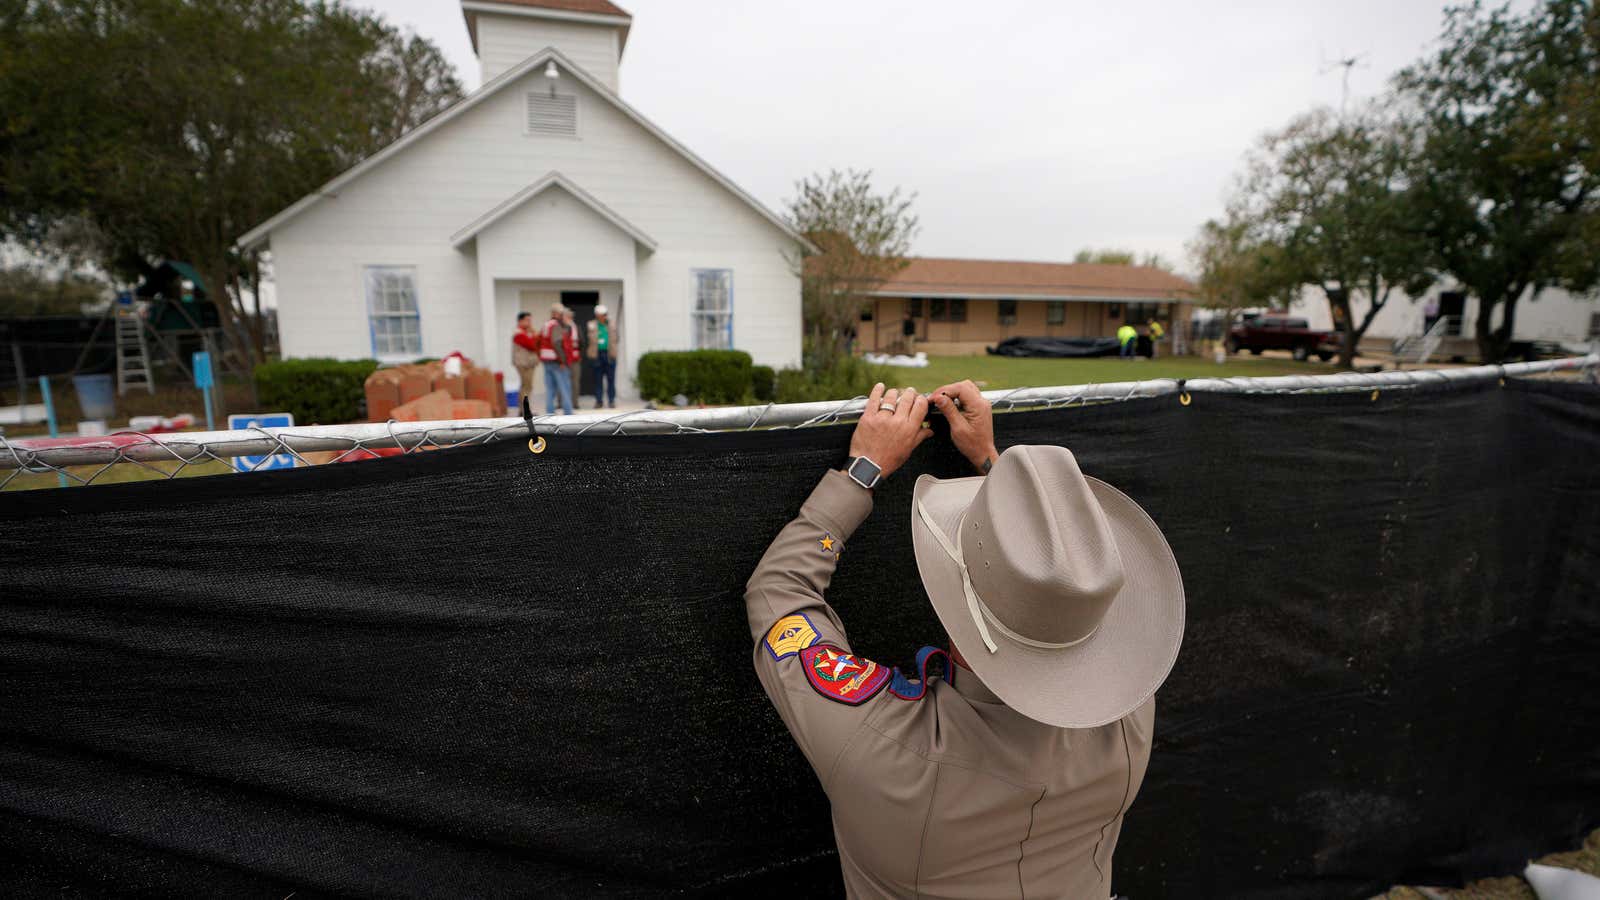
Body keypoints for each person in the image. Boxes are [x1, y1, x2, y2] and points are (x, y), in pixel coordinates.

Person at [745, 380, 1185, 898]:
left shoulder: (883, 746)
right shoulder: (1131, 712)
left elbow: (779, 592)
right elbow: (1055, 595)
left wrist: (862, 471)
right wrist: (1006, 484)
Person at [537, 304, 575, 415]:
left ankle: (550, 413)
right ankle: (568, 413)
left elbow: (538, 341)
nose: (563, 316)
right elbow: (556, 343)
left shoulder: (545, 324)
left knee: (550, 389)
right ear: (557, 314)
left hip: (546, 360)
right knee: (564, 388)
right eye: (562, 313)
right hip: (556, 361)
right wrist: (562, 360)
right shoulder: (556, 325)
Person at [586, 305, 618, 409]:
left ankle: (611, 401)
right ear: (596, 315)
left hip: (609, 354)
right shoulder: (591, 325)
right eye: (601, 315)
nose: (603, 317)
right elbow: (589, 340)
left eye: (604, 315)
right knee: (598, 380)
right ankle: (599, 401)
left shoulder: (612, 324)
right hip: (597, 355)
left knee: (611, 379)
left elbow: (617, 338)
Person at [511, 312, 540, 412]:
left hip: (529, 363)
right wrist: (534, 334)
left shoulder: (526, 332)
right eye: (527, 320)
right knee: (526, 387)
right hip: (523, 363)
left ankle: (522, 409)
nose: (530, 323)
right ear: (520, 321)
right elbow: (532, 345)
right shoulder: (518, 333)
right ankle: (525, 410)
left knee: (526, 386)